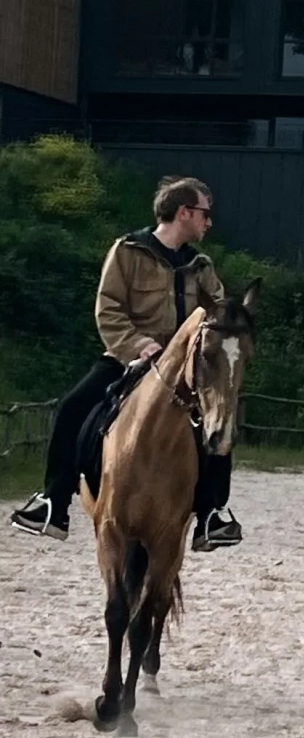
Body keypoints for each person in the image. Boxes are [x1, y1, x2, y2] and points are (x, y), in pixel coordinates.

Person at [10, 175, 243, 551]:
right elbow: (108, 308)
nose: (209, 222)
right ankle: (54, 500)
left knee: (219, 420)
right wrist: (138, 345)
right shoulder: (128, 252)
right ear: (184, 212)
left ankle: (212, 513)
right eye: (204, 213)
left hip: (182, 371)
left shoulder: (201, 266)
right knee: (72, 408)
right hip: (128, 359)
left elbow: (216, 316)